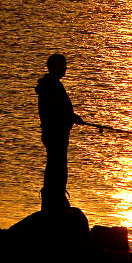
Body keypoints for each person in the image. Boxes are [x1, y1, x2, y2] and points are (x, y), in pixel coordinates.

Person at [36, 53, 85, 212]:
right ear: (55, 67)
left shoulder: (51, 85)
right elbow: (56, 111)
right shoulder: (52, 87)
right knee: (57, 166)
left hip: (56, 133)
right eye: (63, 66)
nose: (65, 68)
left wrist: (72, 117)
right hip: (55, 134)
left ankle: (55, 197)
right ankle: (55, 198)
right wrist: (71, 117)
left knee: (55, 165)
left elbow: (60, 110)